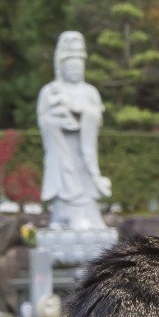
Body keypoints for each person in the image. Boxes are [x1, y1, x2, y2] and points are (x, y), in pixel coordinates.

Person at [37, 31, 111, 230]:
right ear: (61, 66)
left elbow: (97, 115)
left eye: (79, 65)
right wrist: (59, 122)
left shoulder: (90, 91)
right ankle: (62, 217)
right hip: (62, 152)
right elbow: (44, 120)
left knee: (86, 182)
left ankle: (90, 217)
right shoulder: (51, 91)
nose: (75, 70)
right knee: (64, 174)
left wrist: (86, 116)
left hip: (83, 153)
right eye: (70, 66)